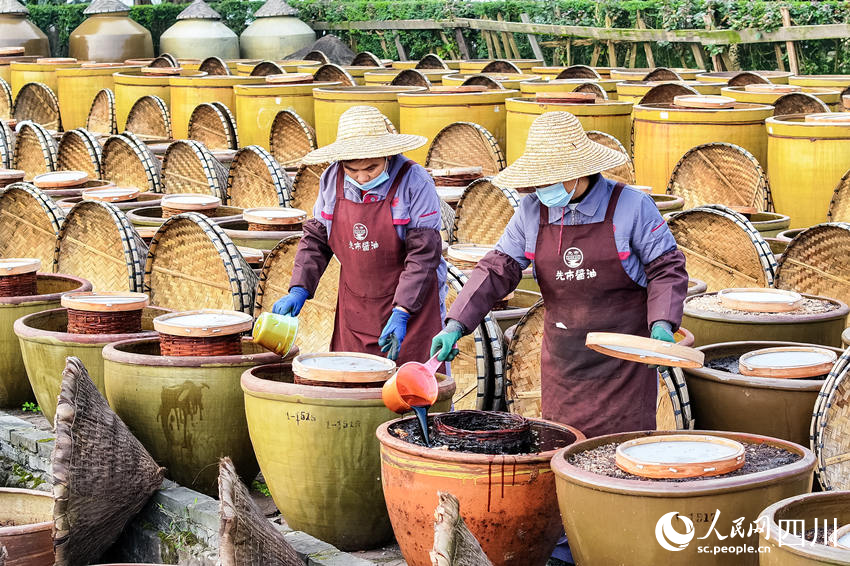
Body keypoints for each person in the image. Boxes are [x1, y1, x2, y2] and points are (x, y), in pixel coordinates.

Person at [430, 111, 688, 438]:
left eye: (550, 179)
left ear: (579, 171)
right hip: (563, 367)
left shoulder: (632, 207)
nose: (542, 189)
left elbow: (666, 268)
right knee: (562, 451)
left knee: (619, 461)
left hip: (625, 370)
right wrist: (455, 324)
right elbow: (496, 269)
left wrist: (663, 325)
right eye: (539, 180)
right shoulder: (531, 212)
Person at [273, 105, 447, 365]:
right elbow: (317, 240)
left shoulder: (415, 181)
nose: (362, 177)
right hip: (355, 306)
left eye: (371, 168)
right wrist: (299, 288)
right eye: (352, 170)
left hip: (412, 306)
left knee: (413, 388)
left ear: (387, 155)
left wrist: (402, 311)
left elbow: (423, 255)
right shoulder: (331, 179)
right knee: (353, 384)